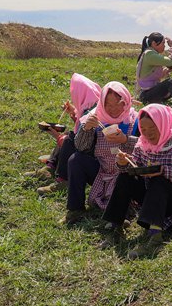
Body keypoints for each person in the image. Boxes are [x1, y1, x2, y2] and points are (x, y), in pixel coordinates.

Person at [102, 104, 172, 259]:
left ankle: (155, 235)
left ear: (163, 123)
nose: (148, 133)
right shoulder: (143, 144)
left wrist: (164, 170)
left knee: (159, 180)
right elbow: (136, 167)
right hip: (156, 197)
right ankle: (116, 226)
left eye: (152, 128)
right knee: (125, 177)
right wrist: (124, 163)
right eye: (144, 129)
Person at [60, 81, 140, 225]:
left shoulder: (136, 120)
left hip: (127, 171)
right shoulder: (96, 118)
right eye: (108, 105)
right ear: (102, 104)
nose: (113, 109)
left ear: (126, 102)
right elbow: (81, 147)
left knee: (125, 178)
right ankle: (75, 209)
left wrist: (125, 139)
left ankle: (123, 213)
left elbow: (148, 147)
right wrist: (87, 129)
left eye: (118, 104)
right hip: (102, 170)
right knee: (76, 159)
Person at [35, 73, 102, 194]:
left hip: (92, 153)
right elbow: (82, 125)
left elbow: (86, 137)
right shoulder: (92, 103)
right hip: (89, 146)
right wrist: (73, 112)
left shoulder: (92, 112)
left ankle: (63, 180)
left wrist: (59, 138)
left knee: (67, 139)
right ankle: (50, 167)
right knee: (68, 135)